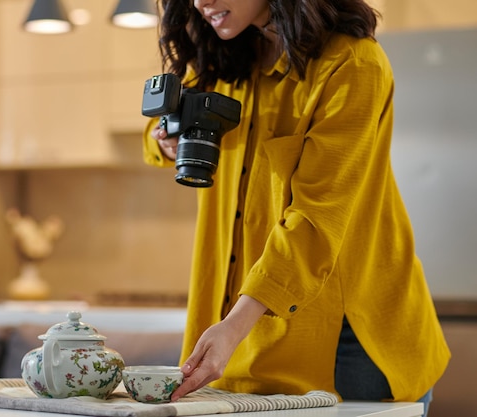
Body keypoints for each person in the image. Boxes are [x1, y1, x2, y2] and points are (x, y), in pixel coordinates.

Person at [142, 0, 450, 415]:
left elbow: (315, 218)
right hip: (245, 335)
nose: (201, 2)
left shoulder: (352, 65)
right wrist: (164, 140)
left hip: (348, 342)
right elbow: (155, 133)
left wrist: (234, 325)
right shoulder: (220, 62)